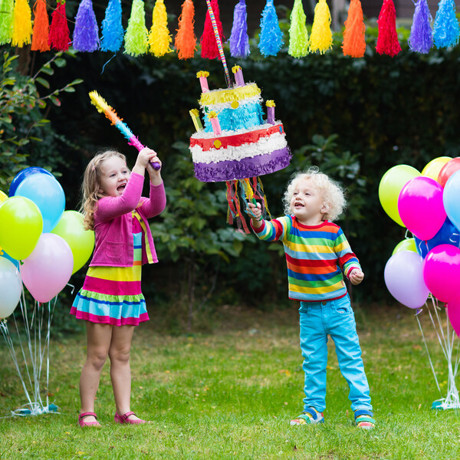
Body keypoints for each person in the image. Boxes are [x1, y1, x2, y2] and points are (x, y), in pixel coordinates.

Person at [247, 167, 374, 429]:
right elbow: (267, 232)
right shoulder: (289, 226)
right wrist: (258, 219)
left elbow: (347, 257)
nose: (298, 196)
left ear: (324, 206)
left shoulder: (333, 232)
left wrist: (354, 271)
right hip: (309, 311)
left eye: (307, 193)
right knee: (313, 362)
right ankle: (313, 410)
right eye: (294, 193)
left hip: (338, 308)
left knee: (351, 359)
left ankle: (363, 410)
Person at [71, 147, 166, 427]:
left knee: (122, 354)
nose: (122, 176)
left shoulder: (135, 207)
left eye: (124, 171)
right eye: (113, 174)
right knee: (97, 355)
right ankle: (87, 412)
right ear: (98, 187)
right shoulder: (104, 207)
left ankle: (124, 411)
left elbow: (157, 206)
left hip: (128, 294)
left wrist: (154, 176)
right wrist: (139, 166)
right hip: (101, 294)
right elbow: (126, 201)